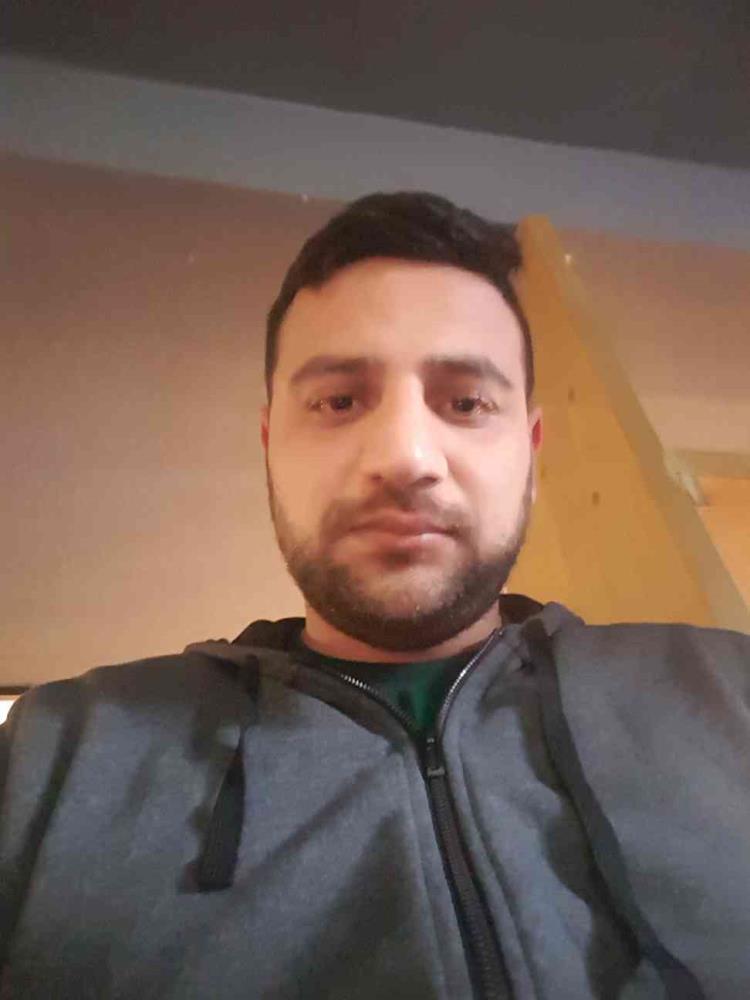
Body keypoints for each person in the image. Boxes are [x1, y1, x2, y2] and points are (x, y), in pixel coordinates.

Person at [1, 192, 748, 1000]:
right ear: (270, 445)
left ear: (531, 454)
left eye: (466, 402)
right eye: (339, 401)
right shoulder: (55, 757)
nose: (405, 456)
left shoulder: (728, 691)